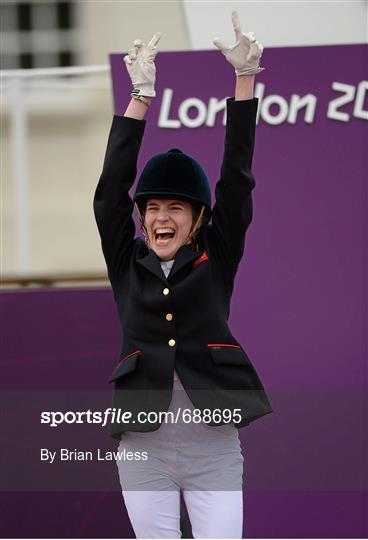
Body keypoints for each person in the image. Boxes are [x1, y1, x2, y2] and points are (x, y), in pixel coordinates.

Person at [93, 11, 273, 539]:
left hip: (213, 450)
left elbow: (236, 183)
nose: (161, 218)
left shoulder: (216, 256)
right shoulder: (128, 262)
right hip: (142, 450)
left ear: (197, 219)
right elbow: (109, 196)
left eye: (176, 208)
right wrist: (139, 98)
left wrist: (245, 81)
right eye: (152, 208)